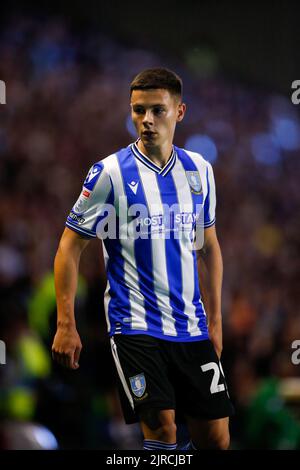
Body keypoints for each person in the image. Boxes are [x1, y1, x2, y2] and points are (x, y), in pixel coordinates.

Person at [51, 67, 234, 450]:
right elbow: (70, 245)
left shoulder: (200, 171)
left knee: (216, 439)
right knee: (162, 433)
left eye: (156, 110)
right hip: (135, 327)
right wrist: (65, 322)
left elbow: (210, 247)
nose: (146, 120)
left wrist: (215, 321)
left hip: (191, 327)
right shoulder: (109, 173)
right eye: (138, 110)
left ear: (179, 112)